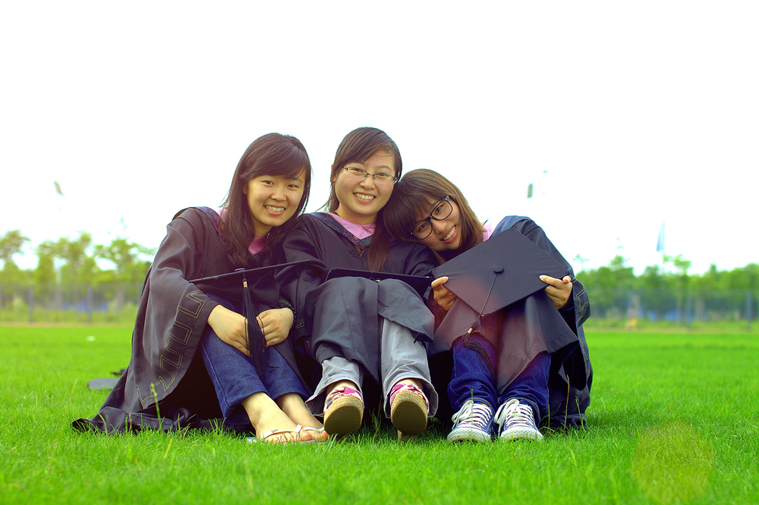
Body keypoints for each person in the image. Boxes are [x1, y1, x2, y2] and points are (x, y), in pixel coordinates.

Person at [73, 133, 328, 444]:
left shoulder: (288, 245)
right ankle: (262, 412)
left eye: (292, 185)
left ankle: (294, 407)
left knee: (265, 316)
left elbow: (304, 291)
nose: (279, 195)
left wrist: (287, 315)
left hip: (250, 370)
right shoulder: (197, 224)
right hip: (185, 372)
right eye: (268, 182)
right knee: (209, 301)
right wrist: (213, 314)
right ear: (244, 183)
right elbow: (163, 278)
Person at [383, 169, 592, 442]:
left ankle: (522, 405)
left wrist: (566, 299)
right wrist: (437, 309)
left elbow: (579, 303)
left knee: (518, 271)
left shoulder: (518, 232)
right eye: (423, 227)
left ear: (454, 197)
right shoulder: (431, 276)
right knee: (469, 284)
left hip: (546, 383)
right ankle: (475, 404)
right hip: (465, 390)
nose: (440, 227)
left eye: (440, 209)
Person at [278, 127, 439, 439]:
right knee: (345, 287)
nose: (368, 183)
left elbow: (428, 299)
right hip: (322, 362)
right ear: (334, 172)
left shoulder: (409, 246)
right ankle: (341, 387)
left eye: (382, 174)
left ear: (395, 182)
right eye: (357, 170)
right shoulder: (306, 231)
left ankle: (407, 388)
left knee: (399, 289)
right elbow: (300, 296)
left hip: (395, 363)